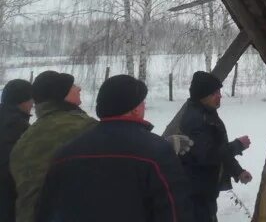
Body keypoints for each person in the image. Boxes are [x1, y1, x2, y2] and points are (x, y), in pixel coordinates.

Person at [34, 75, 192, 222]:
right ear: (134, 109)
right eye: (142, 102)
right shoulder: (157, 153)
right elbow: (174, 211)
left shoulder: (65, 154)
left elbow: (45, 211)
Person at [9, 71, 95, 222]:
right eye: (73, 86)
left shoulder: (28, 135)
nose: (79, 88)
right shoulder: (83, 127)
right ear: (62, 95)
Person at [179, 71, 251, 222]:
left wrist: (238, 171)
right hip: (196, 191)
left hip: (206, 190)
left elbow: (220, 148)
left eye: (219, 91)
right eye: (215, 93)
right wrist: (237, 145)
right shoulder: (195, 120)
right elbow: (207, 154)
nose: (220, 96)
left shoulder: (208, 113)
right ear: (203, 96)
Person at [0, 80, 32, 221]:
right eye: (30, 100)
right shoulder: (18, 126)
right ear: (22, 101)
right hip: (7, 192)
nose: (32, 104)